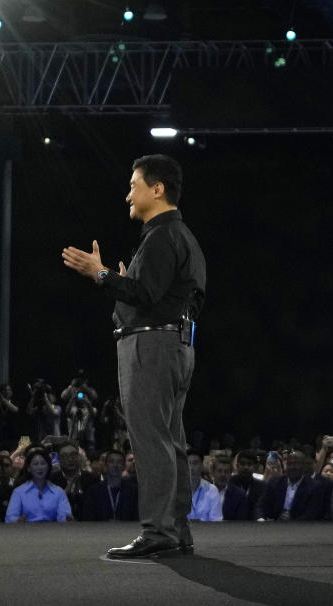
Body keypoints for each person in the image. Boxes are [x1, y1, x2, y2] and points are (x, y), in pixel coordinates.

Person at [63, 154, 206, 558]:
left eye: (134, 185)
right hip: (176, 346)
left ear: (156, 189)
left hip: (152, 348)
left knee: (150, 441)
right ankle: (177, 531)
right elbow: (169, 296)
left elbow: (144, 295)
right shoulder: (185, 238)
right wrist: (125, 283)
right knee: (170, 440)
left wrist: (102, 275)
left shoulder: (162, 236)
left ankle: (159, 532)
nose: (128, 194)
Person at [255, 450, 326, 521]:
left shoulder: (314, 486)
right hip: (273, 525)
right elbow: (261, 506)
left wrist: (291, 524)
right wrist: (261, 519)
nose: (292, 467)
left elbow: (311, 514)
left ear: (303, 466)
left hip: (301, 528)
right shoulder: (274, 482)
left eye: (296, 464)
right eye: (289, 464)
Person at [5, 449, 72, 522]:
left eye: (43, 463)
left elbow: (64, 516)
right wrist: (17, 521)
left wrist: (67, 519)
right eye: (35, 464)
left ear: (48, 467)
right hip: (26, 531)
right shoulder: (18, 492)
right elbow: (10, 518)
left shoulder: (58, 492)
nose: (39, 467)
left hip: (52, 531)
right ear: (29, 468)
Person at [83, 450, 139, 521]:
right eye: (111, 461)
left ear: (124, 466)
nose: (115, 465)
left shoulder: (133, 491)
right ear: (106, 466)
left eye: (119, 462)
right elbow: (88, 518)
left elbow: (137, 517)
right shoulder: (93, 491)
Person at [186, 449, 221, 522]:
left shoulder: (212, 490)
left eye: (195, 463)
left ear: (202, 465)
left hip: (206, 532)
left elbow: (216, 521)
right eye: (188, 463)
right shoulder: (177, 490)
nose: (191, 468)